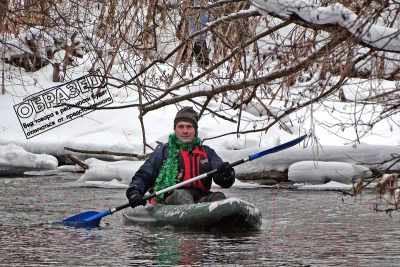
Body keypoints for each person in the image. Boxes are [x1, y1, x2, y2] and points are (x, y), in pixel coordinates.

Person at [126, 106, 235, 208]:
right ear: (175, 129)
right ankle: (194, 220)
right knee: (182, 195)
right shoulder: (164, 152)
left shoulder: (207, 152)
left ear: (195, 130)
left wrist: (226, 173)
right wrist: (134, 193)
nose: (185, 131)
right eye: (181, 127)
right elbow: (143, 175)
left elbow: (225, 182)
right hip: (170, 200)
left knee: (219, 197)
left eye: (189, 127)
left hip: (200, 199)